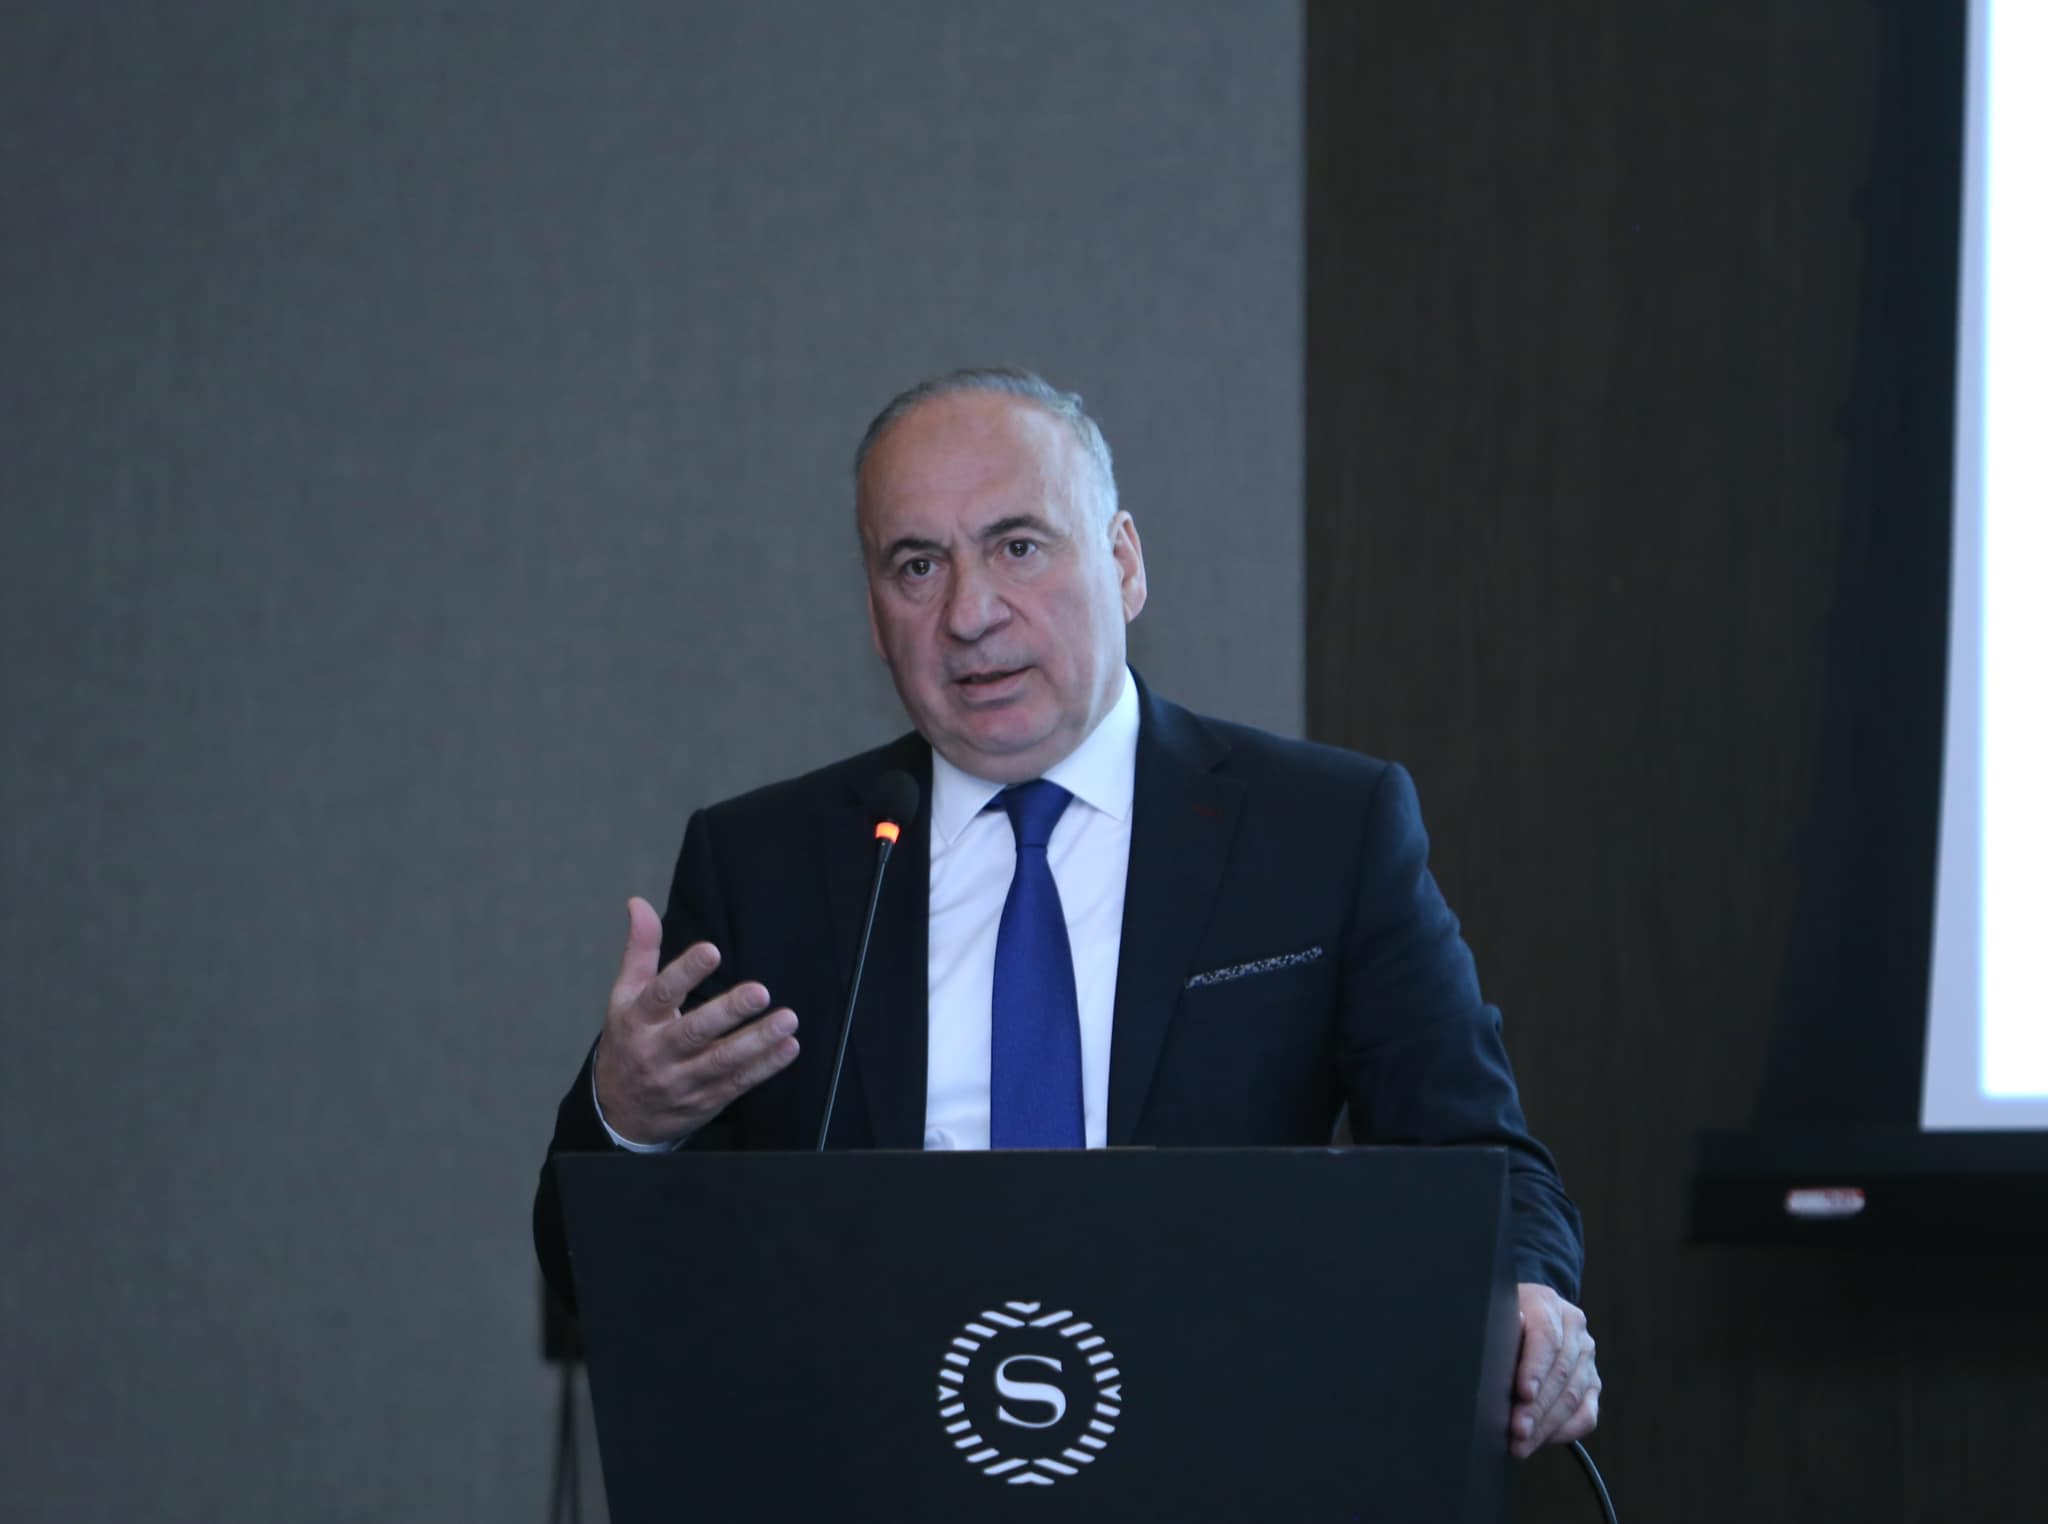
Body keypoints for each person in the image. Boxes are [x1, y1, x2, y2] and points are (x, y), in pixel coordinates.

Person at [534, 368, 1600, 1459]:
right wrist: (627, 1123)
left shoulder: (1320, 831)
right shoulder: (765, 865)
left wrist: (1527, 1295)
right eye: (917, 566)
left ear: (1123, 563)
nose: (969, 614)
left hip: (1224, 1450)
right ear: (875, 616)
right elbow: (597, 1276)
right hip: (870, 1462)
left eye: (1017, 546)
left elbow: (1485, 1159)